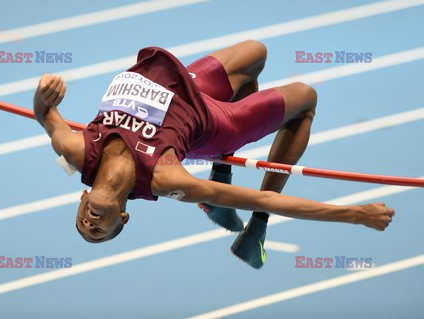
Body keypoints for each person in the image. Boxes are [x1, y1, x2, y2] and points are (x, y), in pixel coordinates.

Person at [33, 40, 395, 269]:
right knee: (306, 98)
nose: (91, 224)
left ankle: (222, 170)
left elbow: (45, 115)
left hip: (185, 83)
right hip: (212, 121)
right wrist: (354, 214)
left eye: (83, 223)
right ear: (123, 218)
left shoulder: (75, 149)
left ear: (83, 199)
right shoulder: (165, 178)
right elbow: (265, 196)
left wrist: (45, 90)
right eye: (99, 231)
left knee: (257, 52)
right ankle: (256, 228)